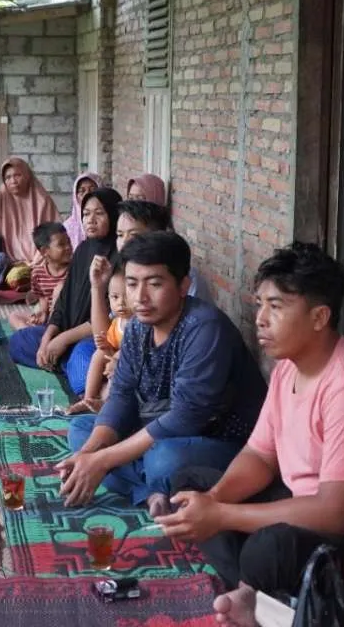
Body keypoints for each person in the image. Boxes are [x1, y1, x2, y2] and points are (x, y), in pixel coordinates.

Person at [158, 243, 344, 627]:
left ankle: (262, 596)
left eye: (276, 306)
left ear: (320, 316)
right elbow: (259, 455)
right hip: (309, 506)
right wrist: (211, 502)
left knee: (270, 547)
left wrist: (222, 515)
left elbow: (335, 514)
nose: (260, 319)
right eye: (260, 304)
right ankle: (256, 594)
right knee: (190, 481)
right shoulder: (288, 369)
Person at [59, 232, 266, 518]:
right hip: (154, 431)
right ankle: (152, 492)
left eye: (154, 284)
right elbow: (121, 396)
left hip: (218, 442)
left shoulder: (204, 328)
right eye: (132, 284)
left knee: (164, 459)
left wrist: (103, 460)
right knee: (81, 431)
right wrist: (89, 455)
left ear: (184, 285)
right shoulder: (136, 328)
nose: (140, 298)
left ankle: (149, 484)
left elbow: (185, 419)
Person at [8, 188, 121, 394]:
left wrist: (63, 340)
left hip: (93, 339)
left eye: (99, 213)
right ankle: (62, 361)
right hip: (67, 332)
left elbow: (109, 321)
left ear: (114, 215)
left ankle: (66, 362)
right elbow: (63, 302)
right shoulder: (83, 250)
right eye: (86, 213)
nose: (90, 220)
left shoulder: (119, 256)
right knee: (18, 341)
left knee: (81, 377)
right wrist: (47, 339)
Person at [110, 199, 214, 303]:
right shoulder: (120, 270)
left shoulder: (184, 276)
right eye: (120, 235)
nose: (124, 243)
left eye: (134, 235)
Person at [67, 264, 131, 415]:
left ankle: (105, 403)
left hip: (128, 364)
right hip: (114, 359)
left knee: (116, 368)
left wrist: (114, 358)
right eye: (115, 297)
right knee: (98, 354)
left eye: (127, 297)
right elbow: (110, 347)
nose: (121, 303)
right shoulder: (117, 322)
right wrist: (104, 345)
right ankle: (88, 398)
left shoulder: (139, 323)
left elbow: (131, 351)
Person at [0, 157, 59, 265]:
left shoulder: (43, 200)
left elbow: (53, 234)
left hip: (40, 260)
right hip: (6, 263)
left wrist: (35, 262)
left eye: (17, 175)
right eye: (8, 177)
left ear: (27, 176)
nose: (13, 181)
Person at [9, 221, 72, 330]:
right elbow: (42, 296)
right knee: (14, 316)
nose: (68, 247)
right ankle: (30, 331)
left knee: (60, 288)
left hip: (66, 316)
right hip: (47, 315)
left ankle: (44, 331)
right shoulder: (37, 273)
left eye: (69, 242)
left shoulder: (74, 269)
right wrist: (42, 313)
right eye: (61, 244)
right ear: (44, 251)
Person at [63, 172, 103, 248]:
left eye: (92, 190)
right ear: (76, 196)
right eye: (82, 191)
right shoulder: (68, 227)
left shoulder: (108, 221)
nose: (87, 194)